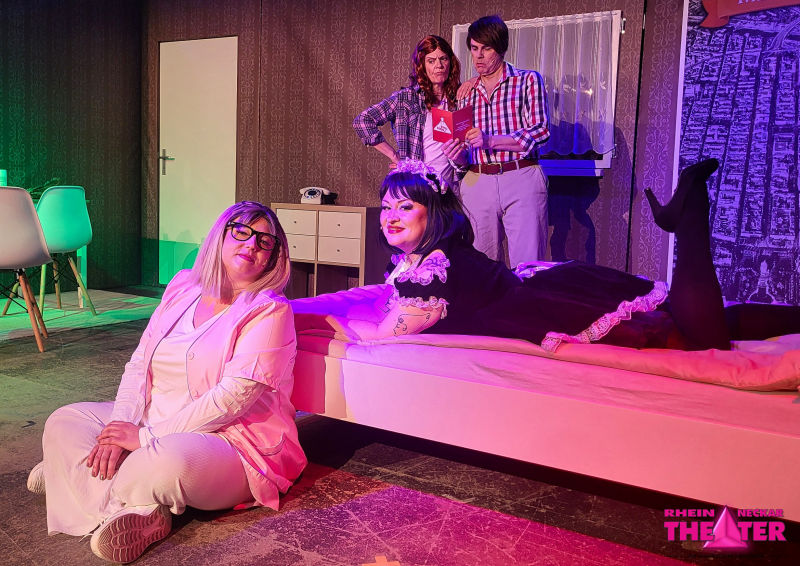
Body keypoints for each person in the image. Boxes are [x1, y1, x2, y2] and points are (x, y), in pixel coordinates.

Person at [26, 201, 306, 563]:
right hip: (153, 416)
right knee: (65, 420)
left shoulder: (270, 310)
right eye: (242, 232)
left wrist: (143, 439)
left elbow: (231, 401)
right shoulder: (184, 285)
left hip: (230, 440)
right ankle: (134, 505)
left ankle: (74, 476)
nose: (252, 244)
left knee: (163, 462)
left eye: (265, 242)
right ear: (220, 236)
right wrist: (121, 427)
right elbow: (139, 362)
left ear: (272, 258)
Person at [334, 158, 800, 350]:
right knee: (704, 321)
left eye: (405, 206)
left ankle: (692, 209)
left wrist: (338, 325)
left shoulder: (430, 271)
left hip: (538, 307)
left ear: (432, 212)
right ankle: (690, 211)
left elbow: (381, 337)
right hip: (543, 287)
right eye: (387, 206)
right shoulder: (436, 254)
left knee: (693, 337)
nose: (390, 216)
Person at [444, 15, 551, 266]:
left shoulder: (527, 80)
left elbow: (540, 131)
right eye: (474, 48)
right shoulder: (465, 92)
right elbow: (464, 152)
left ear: (501, 48)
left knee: (528, 265)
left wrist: (490, 141)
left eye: (486, 48)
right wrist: (457, 155)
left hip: (520, 175)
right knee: (481, 265)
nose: (478, 56)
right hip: (477, 179)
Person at [353, 34, 465, 190]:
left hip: (449, 189)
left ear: (450, 62)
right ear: (422, 66)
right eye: (431, 61)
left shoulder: (460, 99)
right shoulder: (406, 98)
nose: (439, 65)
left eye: (443, 59)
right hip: (417, 187)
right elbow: (363, 121)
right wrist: (394, 156)